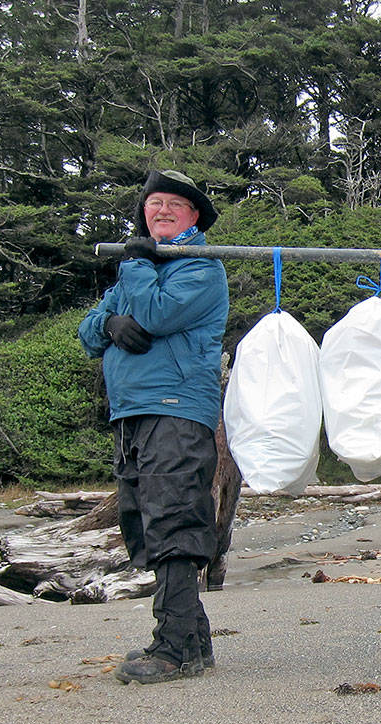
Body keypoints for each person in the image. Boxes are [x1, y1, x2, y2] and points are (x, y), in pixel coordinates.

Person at [79, 169, 229, 684]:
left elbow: (154, 313)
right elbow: (89, 331)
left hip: (177, 407)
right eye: (153, 203)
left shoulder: (199, 267)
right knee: (145, 521)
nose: (161, 211)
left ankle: (174, 649)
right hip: (133, 411)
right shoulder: (139, 269)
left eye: (174, 205)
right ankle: (194, 640)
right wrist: (108, 322)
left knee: (174, 518)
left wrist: (135, 268)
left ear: (193, 218)